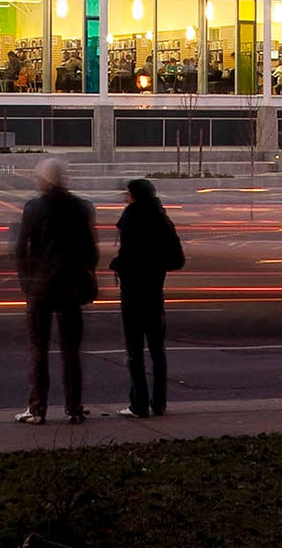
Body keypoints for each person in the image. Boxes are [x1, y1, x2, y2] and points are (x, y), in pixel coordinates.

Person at [12, 157, 99, 425]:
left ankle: (37, 409)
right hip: (70, 286)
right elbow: (90, 250)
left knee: (38, 348)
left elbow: (21, 248)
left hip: (40, 286)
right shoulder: (81, 208)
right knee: (71, 350)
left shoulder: (34, 208)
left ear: (45, 179)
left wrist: (26, 282)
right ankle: (74, 407)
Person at [109, 178, 185, 418]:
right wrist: (156, 264)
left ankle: (139, 403)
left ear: (135, 196)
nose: (125, 198)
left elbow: (129, 256)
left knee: (134, 350)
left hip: (133, 291)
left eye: (128, 194)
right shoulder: (163, 220)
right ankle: (159, 403)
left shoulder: (131, 218)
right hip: (154, 290)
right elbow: (177, 259)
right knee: (157, 350)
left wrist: (119, 265)